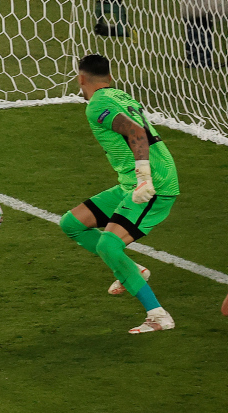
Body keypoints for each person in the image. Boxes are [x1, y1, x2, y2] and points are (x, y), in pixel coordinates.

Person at [60, 54, 179, 334]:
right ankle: (133, 270)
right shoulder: (120, 95)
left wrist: (144, 178)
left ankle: (158, 315)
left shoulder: (96, 105)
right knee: (72, 223)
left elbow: (136, 132)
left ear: (81, 78)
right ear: (110, 78)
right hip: (131, 183)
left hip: (154, 184)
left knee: (108, 246)